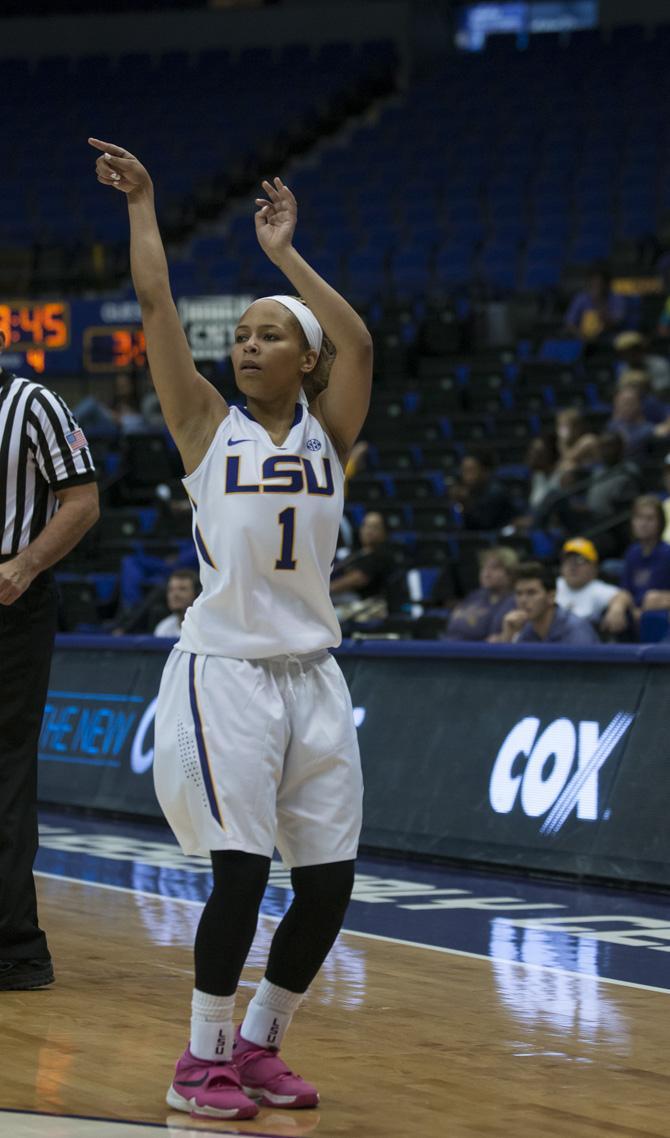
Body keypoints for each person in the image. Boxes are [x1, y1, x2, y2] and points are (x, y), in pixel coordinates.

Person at [90, 139, 372, 1120]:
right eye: (242, 335)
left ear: (304, 356)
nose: (247, 346)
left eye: (267, 335)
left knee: (330, 884)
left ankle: (259, 1044)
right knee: (243, 874)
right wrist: (144, 204)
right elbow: (160, 306)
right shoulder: (209, 426)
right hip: (227, 674)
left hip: (314, 675)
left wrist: (288, 260)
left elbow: (361, 347)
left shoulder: (330, 433)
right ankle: (198, 1060)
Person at [0, 350, 99, 991]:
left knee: (4, 771)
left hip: (10, 602)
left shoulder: (34, 404)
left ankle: (17, 948)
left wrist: (25, 565)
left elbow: (82, 501)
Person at [500, 561, 599, 645]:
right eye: (519, 593)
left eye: (531, 593)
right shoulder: (527, 630)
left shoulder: (576, 629)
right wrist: (507, 635)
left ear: (551, 597)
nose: (523, 600)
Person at [556, 538, 631, 636]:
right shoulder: (554, 585)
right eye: (568, 560)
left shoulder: (597, 589)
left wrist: (617, 608)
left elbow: (623, 595)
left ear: (594, 568)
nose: (572, 566)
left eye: (580, 561)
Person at [444, 546, 518, 641]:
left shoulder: (512, 601)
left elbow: (494, 639)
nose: (486, 572)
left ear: (510, 573)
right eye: (484, 567)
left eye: (494, 568)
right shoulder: (474, 596)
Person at [330, 510, 394, 617]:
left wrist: (325, 589)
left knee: (331, 617)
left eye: (375, 527)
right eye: (366, 526)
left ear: (384, 532)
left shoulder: (382, 555)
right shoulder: (357, 553)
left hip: (372, 605)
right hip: (348, 602)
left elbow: (358, 578)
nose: (369, 531)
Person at [621, 495, 670, 618]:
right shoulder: (632, 552)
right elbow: (625, 590)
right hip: (636, 612)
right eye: (639, 517)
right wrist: (618, 606)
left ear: (660, 523)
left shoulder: (667, 553)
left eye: (649, 519)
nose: (643, 523)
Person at [449, 448, 512, 531]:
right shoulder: (467, 491)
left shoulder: (496, 493)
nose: (465, 476)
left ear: (485, 471)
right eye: (463, 470)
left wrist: (466, 503)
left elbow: (484, 525)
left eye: (470, 470)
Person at [564, 264, 627, 342]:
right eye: (593, 282)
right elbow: (570, 322)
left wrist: (598, 301)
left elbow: (617, 322)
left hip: (608, 337)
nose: (596, 286)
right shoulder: (581, 298)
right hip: (582, 338)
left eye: (600, 283)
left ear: (607, 284)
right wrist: (580, 335)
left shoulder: (617, 298)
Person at [614, 330, 670, 396]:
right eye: (627, 351)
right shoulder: (621, 368)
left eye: (636, 349)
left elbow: (666, 391)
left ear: (643, 349)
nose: (632, 353)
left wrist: (647, 386)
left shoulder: (659, 364)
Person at [154, 569, 200, 638]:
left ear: (197, 594)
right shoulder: (164, 627)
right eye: (171, 589)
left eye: (182, 589)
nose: (175, 595)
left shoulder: (206, 627)